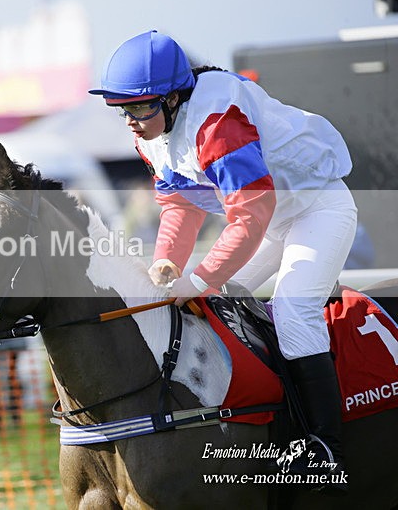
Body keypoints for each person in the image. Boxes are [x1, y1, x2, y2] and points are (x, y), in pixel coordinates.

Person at [90, 30, 357, 493]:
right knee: (216, 304)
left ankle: (324, 448)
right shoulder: (155, 131)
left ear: (174, 98)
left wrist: (200, 277)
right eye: (121, 109)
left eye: (139, 107)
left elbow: (251, 215)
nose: (130, 120)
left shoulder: (218, 125)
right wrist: (168, 265)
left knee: (292, 310)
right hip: (271, 219)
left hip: (318, 209)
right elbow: (180, 205)